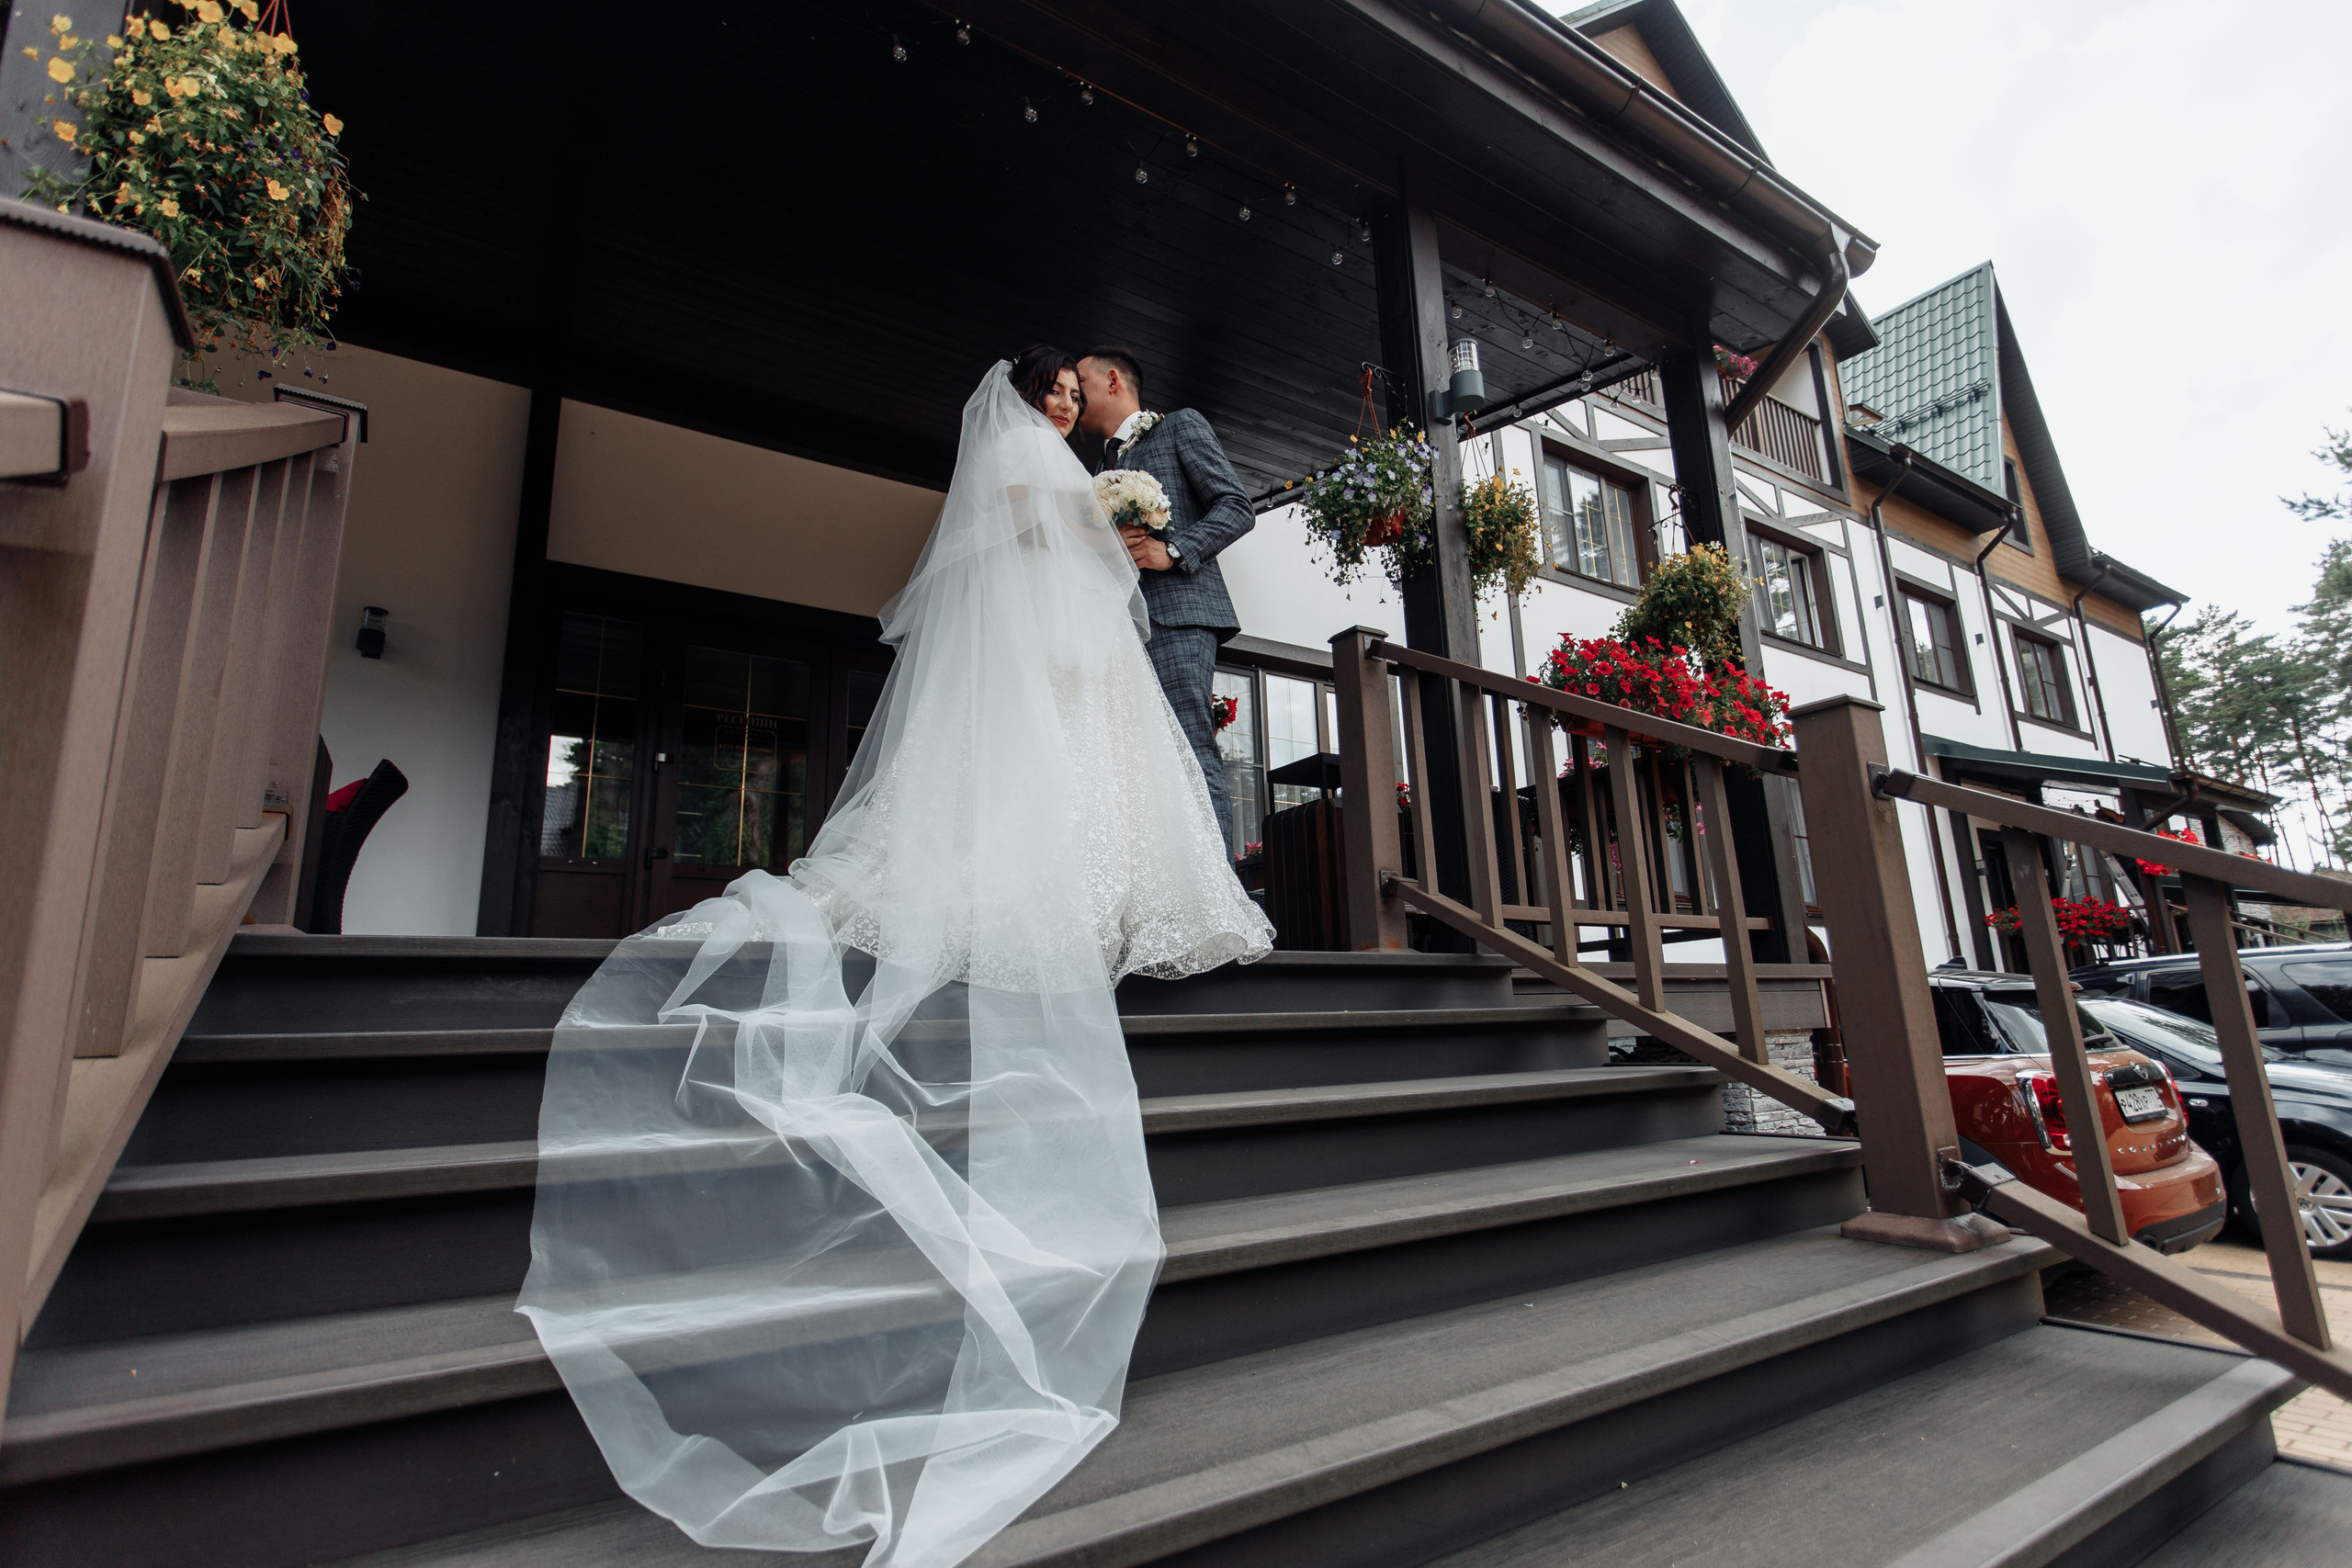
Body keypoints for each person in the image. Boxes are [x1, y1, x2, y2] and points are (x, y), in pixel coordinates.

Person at [517, 347, 1272, 1568]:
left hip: (1102, 634)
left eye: (1086, 393)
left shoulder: (1127, 446)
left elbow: (1136, 531)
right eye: (1063, 394)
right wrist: (1101, 538)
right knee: (1070, 789)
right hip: (1068, 645)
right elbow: (1043, 552)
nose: (1075, 407)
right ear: (1035, 403)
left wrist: (1134, 541)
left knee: (1100, 780)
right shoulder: (1040, 466)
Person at [1074, 347, 1257, 849]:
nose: (1072, 394)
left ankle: (1222, 894)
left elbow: (1237, 507)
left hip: (1177, 615)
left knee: (1188, 745)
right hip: (1117, 629)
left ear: (1112, 380)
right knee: (1137, 760)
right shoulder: (1096, 467)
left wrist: (1171, 549)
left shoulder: (1179, 426)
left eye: (1080, 384)